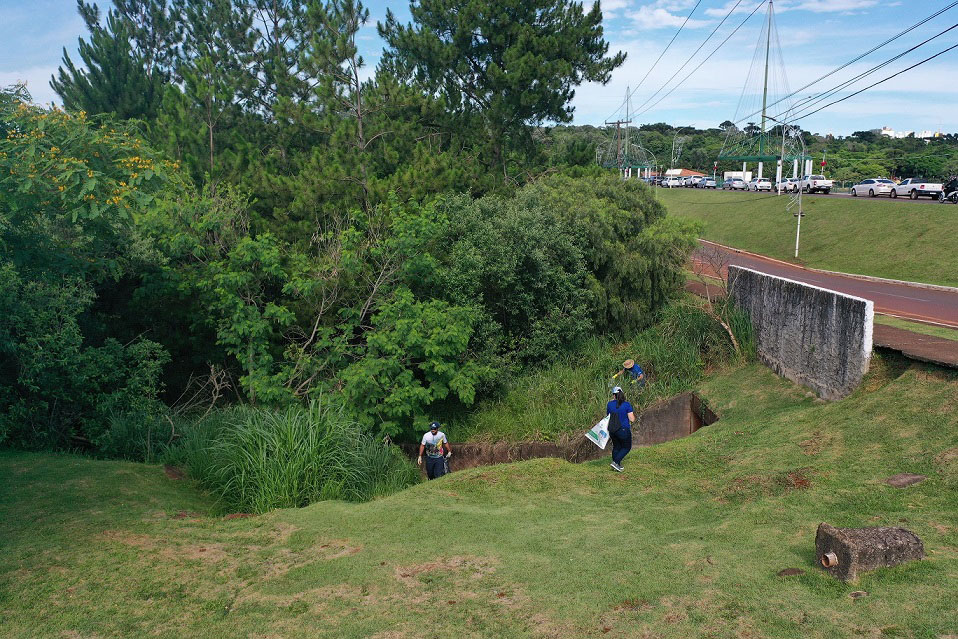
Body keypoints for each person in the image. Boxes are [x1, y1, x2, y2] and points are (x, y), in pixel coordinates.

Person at [606, 386, 636, 472]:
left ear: (613, 395)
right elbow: (632, 419)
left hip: (612, 430)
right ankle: (615, 462)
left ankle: (617, 465)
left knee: (616, 446)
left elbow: (608, 416)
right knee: (626, 447)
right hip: (623, 430)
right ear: (622, 394)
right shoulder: (627, 405)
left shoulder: (609, 404)